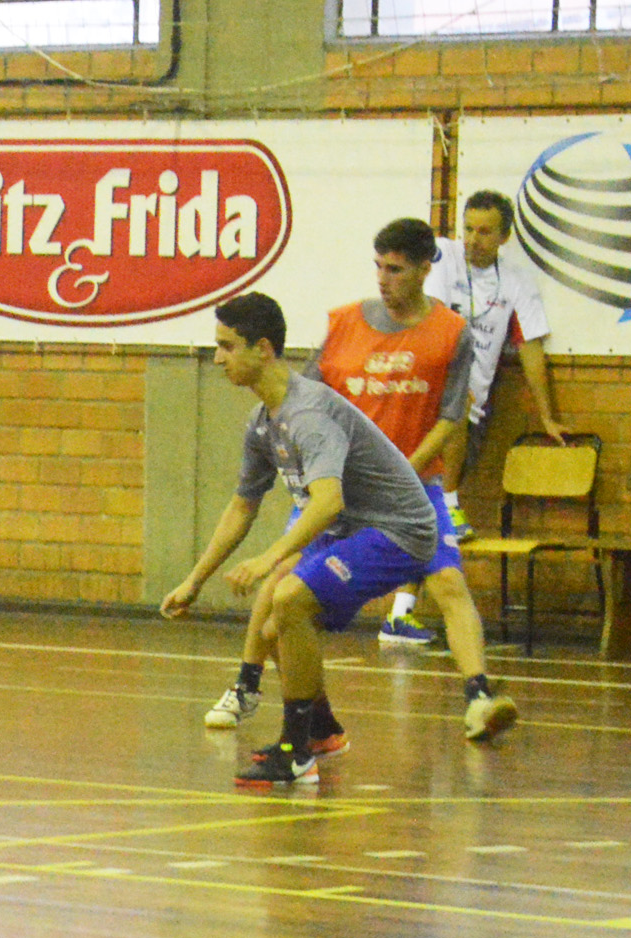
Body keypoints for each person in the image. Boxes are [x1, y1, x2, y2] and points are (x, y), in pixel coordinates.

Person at [163, 293, 511, 788]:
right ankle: (322, 730)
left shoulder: (308, 413)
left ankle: (295, 751)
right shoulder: (263, 423)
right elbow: (243, 505)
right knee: (272, 625)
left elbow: (326, 502)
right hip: (354, 528)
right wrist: (194, 581)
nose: (217, 358)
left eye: (226, 346)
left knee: (288, 598)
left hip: (397, 529)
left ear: (262, 349)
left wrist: (270, 557)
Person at [315, 218, 475, 649]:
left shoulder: (452, 332)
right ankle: (248, 680)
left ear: (425, 269)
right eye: (379, 267)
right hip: (350, 486)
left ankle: (478, 690)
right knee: (288, 583)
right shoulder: (344, 323)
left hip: (417, 485)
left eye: (396, 270)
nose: (384, 280)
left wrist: (406, 468)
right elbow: (310, 401)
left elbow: (452, 414)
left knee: (450, 583)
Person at [426, 190, 571, 513]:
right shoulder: (442, 256)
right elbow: (429, 320)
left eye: (485, 231)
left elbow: (531, 348)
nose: (473, 240)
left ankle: (444, 514)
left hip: (471, 412)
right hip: (426, 398)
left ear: (504, 237)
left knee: (460, 404)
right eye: (469, 229)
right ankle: (449, 511)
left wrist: (547, 416)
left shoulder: (517, 281)